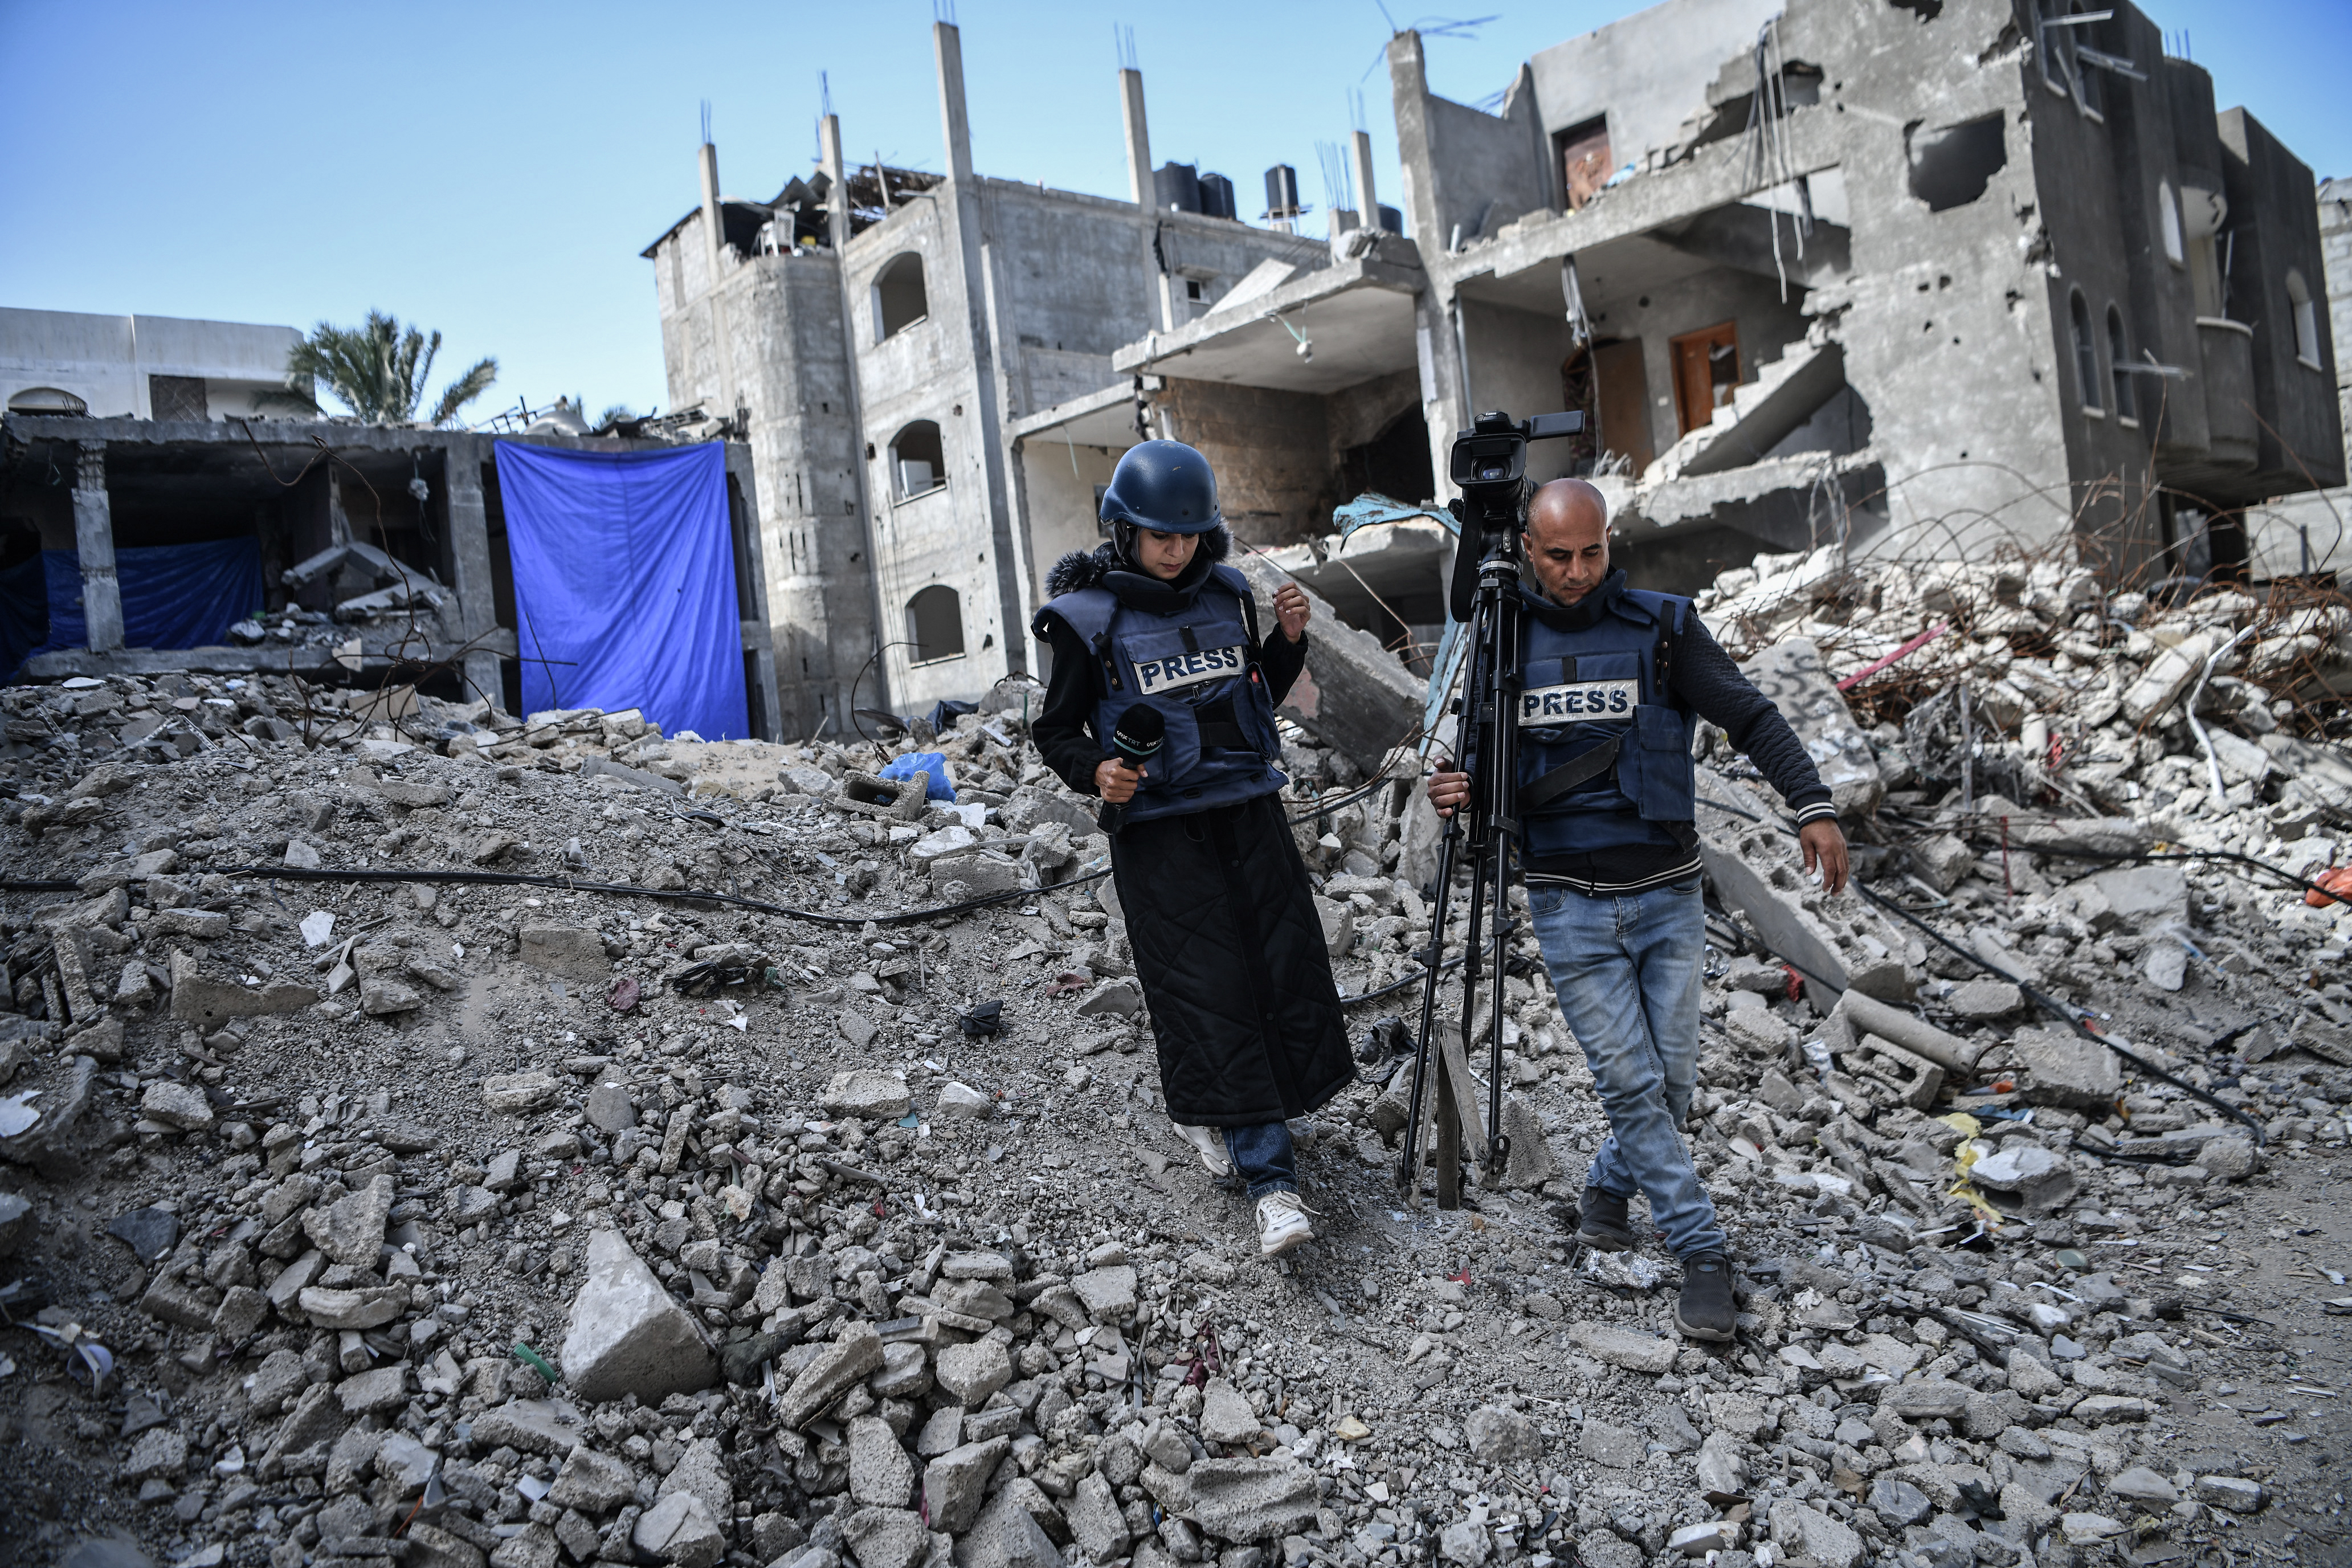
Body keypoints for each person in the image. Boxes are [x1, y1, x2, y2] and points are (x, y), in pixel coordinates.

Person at [1426, 478, 1849, 1340]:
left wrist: (1812, 802)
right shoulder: (1503, 639)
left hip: (1666, 899)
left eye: (1592, 552)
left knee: (1673, 1087)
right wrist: (1455, 788)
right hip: (1568, 906)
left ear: (1609, 543)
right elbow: (1475, 764)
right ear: (1529, 553)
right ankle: (1702, 1252)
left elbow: (1750, 716)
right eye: (1557, 556)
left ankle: (1608, 1192)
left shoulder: (1663, 629)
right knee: (1630, 1083)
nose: (1577, 572)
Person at [1031, 440, 1354, 1258]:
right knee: (1209, 992)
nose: (1176, 551)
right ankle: (1272, 1184)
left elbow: (1247, 703)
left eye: (1189, 536)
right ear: (1121, 532)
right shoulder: (1086, 622)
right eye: (1158, 536)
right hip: (1163, 839)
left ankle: (1230, 1117)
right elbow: (1056, 730)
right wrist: (1096, 772)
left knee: (1281, 970)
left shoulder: (1231, 597)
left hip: (1250, 818)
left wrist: (1284, 645)